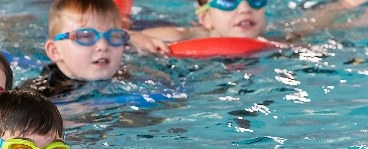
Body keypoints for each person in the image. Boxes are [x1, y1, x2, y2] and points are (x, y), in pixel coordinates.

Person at [129, 0, 368, 54]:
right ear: (205, 19)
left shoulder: (273, 36)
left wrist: (350, 9)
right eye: (228, 2)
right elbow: (118, 37)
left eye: (255, 0)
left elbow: (316, 21)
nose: (244, 9)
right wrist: (134, 38)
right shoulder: (179, 36)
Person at [20, 0, 131, 98]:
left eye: (113, 36)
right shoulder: (39, 96)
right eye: (86, 36)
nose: (103, 46)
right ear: (55, 51)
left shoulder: (124, 77)